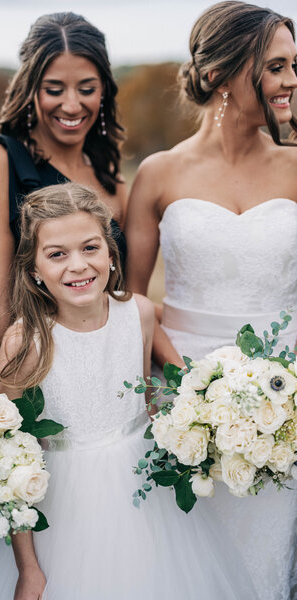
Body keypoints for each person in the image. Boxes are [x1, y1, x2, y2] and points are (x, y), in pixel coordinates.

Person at [0, 182, 257, 600]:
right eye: (57, 254)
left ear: (111, 256)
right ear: (34, 272)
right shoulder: (27, 342)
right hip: (63, 508)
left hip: (144, 500)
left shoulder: (138, 313)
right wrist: (28, 567)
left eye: (90, 247)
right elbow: (10, 462)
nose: (77, 265)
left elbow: (150, 407)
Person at [125, 2, 297, 598]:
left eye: (293, 66)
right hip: (184, 404)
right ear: (222, 73)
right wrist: (187, 386)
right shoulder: (158, 173)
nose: (291, 81)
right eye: (275, 67)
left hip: (288, 402)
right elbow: (130, 301)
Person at [0, 12, 127, 388]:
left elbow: (122, 293)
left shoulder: (112, 178)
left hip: (108, 376)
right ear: (30, 90)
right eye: (54, 89)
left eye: (86, 89)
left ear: (104, 90)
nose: (71, 105)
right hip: (32, 380)